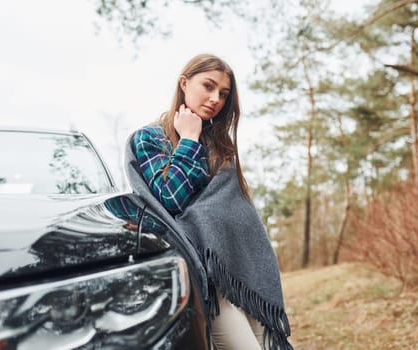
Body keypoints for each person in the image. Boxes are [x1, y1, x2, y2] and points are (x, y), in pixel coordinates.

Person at [124, 53, 293, 350]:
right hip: (202, 274)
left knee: (271, 345)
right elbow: (169, 200)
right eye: (208, 86)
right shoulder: (149, 138)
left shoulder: (219, 145)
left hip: (238, 270)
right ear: (184, 83)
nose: (216, 98)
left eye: (224, 94)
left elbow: (233, 207)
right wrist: (188, 139)